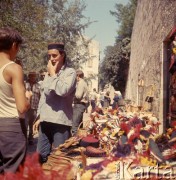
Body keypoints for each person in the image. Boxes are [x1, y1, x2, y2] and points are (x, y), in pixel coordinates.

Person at [33, 42, 76, 163]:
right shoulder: (48, 73)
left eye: (54, 55)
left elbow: (63, 91)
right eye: (49, 56)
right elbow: (44, 96)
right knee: (40, 157)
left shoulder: (70, 72)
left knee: (60, 159)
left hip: (60, 122)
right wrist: (39, 116)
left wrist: (53, 74)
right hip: (45, 120)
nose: (51, 59)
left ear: (62, 55)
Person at [0, 27, 31, 173]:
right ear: (13, 45)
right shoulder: (14, 68)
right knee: (13, 172)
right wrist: (28, 97)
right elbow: (22, 107)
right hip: (11, 126)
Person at [71, 70, 88, 136]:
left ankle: (74, 142)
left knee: (74, 126)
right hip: (81, 106)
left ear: (78, 76)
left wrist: (72, 92)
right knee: (79, 126)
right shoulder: (84, 83)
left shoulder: (81, 83)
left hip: (78, 105)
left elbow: (78, 96)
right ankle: (79, 141)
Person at [25, 72, 41, 145]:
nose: (33, 77)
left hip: (34, 107)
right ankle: (24, 139)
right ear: (29, 76)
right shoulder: (24, 84)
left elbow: (41, 97)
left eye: (34, 76)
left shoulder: (38, 85)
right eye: (31, 76)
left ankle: (30, 138)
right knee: (25, 124)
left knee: (32, 124)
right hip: (25, 108)